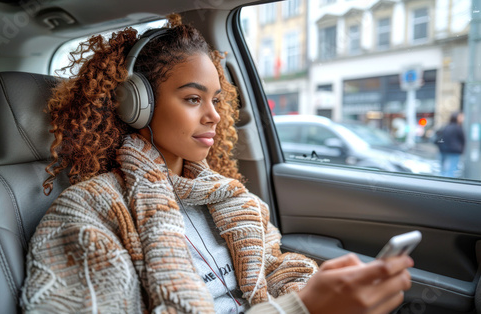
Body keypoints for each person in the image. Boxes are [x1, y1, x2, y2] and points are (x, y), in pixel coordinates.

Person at [21, 15, 413, 313]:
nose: (215, 116)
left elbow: (274, 267)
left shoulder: (231, 199)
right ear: (136, 104)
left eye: (216, 100)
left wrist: (314, 286)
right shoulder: (87, 213)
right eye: (193, 99)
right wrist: (303, 307)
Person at [436, 112, 465, 177]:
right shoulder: (457, 128)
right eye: (461, 117)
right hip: (453, 151)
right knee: (451, 171)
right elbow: (462, 140)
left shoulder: (446, 126)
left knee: (443, 171)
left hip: (443, 150)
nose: (463, 118)